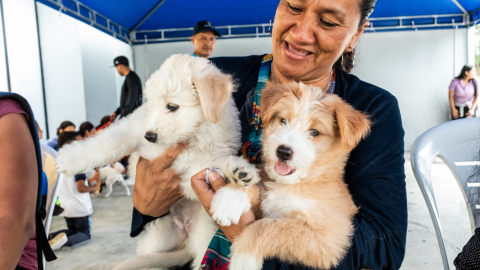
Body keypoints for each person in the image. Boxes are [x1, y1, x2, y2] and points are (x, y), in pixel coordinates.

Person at [132, 0, 407, 269]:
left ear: (355, 34)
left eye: (327, 21)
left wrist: (251, 236)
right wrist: (144, 206)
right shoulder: (214, 78)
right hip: (186, 244)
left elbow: (382, 249)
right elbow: (156, 158)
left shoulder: (374, 108)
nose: (300, 33)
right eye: (294, 7)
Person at [48, 131, 98, 251]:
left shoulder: (56, 160)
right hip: (80, 207)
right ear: (70, 145)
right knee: (85, 234)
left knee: (72, 230)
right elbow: (81, 188)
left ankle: (49, 237)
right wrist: (94, 188)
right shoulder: (77, 162)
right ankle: (65, 241)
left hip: (66, 206)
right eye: (80, 143)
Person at [110, 56, 142, 121]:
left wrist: (121, 120)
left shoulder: (132, 79)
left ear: (120, 66)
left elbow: (131, 102)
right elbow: (126, 100)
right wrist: (117, 112)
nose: (117, 71)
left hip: (131, 120)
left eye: (117, 68)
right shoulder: (130, 78)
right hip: (130, 119)